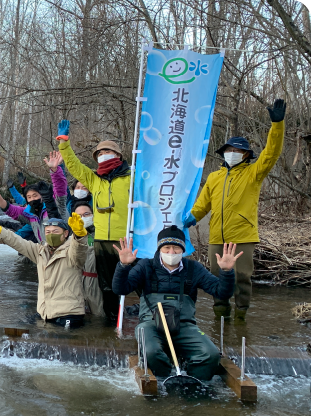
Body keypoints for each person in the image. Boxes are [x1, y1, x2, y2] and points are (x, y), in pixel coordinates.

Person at [183, 99, 286, 321]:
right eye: (229, 149)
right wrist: (192, 217)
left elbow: (271, 153)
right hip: (217, 238)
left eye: (237, 150)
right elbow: (203, 204)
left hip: (242, 236)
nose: (232, 153)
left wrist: (277, 125)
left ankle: (241, 319)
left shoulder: (253, 173)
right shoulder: (214, 176)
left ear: (246, 154)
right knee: (215, 276)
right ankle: (221, 315)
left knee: (241, 278)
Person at [112, 226, 241, 381]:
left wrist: (226, 273)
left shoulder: (194, 268)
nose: (171, 253)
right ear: (160, 249)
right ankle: (163, 382)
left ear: (183, 250)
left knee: (211, 354)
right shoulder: (146, 266)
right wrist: (123, 266)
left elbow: (222, 293)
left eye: (176, 248)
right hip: (151, 324)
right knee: (151, 352)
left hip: (185, 325)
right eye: (167, 248)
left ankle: (195, 382)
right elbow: (120, 289)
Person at [56, 119, 130, 319]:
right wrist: (64, 142)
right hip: (101, 242)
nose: (103, 156)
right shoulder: (93, 179)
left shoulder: (131, 178)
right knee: (107, 286)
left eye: (108, 153)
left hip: (127, 240)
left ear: (118, 156)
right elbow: (74, 165)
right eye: (100, 154)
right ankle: (112, 321)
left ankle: (150, 320)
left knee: (137, 282)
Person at [0, 212, 90, 327]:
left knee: (62, 341)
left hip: (69, 313)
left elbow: (79, 250)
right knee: (18, 330)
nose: (51, 235)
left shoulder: (71, 253)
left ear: (66, 233)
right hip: (45, 312)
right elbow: (18, 242)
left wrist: (79, 235)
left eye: (55, 231)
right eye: (48, 232)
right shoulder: (39, 251)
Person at [0, 176, 58, 244]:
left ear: (42, 196)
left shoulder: (52, 208)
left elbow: (60, 191)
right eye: (29, 197)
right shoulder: (30, 215)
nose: (32, 199)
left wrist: (56, 170)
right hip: (45, 249)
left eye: (35, 196)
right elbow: (10, 209)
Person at [72, 201, 104, 317]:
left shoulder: (102, 234)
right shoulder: (72, 237)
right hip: (78, 282)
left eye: (86, 214)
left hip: (97, 282)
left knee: (99, 314)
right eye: (79, 216)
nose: (83, 218)